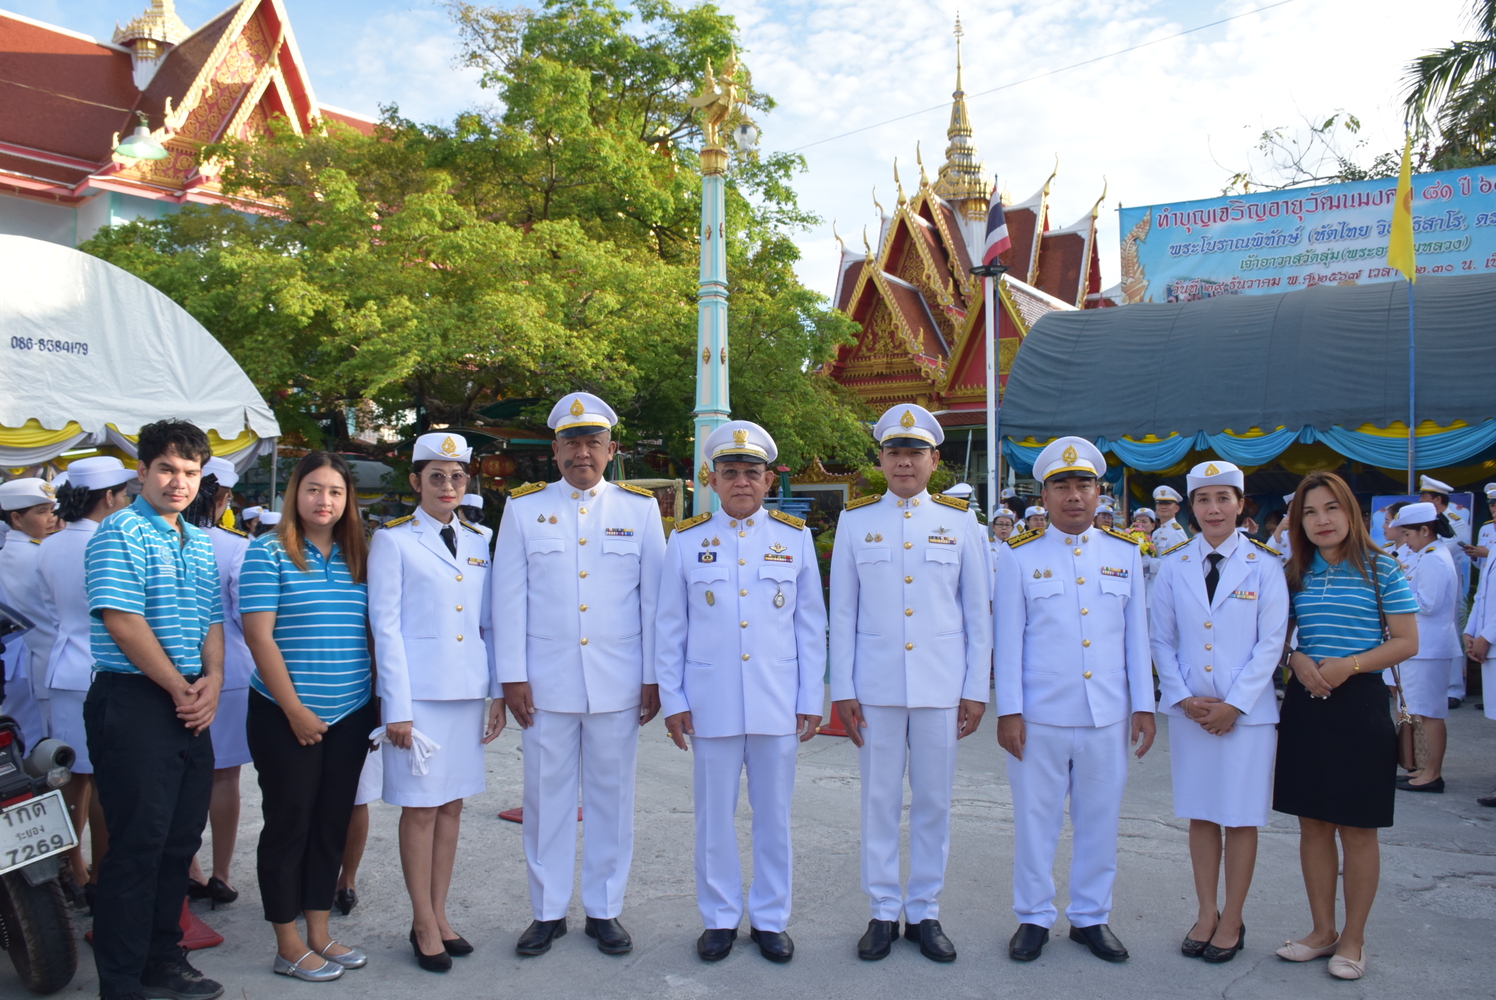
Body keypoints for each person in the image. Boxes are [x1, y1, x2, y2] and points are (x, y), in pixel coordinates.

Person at [491, 392, 666, 957]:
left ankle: (604, 910)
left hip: (618, 680)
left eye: (593, 442)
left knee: (613, 799)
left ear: (611, 450)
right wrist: (511, 677)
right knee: (545, 798)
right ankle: (546, 911)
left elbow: (653, 603)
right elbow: (507, 599)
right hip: (545, 683)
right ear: (555, 449)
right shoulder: (522, 509)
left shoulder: (639, 510)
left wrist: (653, 676)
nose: (582, 452)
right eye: (571, 442)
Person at [655, 420, 825, 964]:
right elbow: (669, 628)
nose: (742, 482)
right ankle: (720, 918)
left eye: (752, 472)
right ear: (711, 478)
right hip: (711, 701)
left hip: (776, 699)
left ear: (769, 479)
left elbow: (809, 626)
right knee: (713, 819)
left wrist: (808, 698)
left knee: (774, 817)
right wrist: (675, 700)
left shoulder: (793, 538)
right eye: (730, 472)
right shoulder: (685, 541)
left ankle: (771, 919)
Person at [829, 405, 991, 963]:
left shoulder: (960, 522)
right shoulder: (857, 521)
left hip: (940, 687)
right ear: (881, 459)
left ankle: (924, 911)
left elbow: (977, 614)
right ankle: (880, 911)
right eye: (895, 452)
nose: (904, 462)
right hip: (874, 687)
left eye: (915, 452)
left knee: (933, 802)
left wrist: (975, 689)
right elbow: (842, 613)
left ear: (934, 461)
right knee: (878, 801)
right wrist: (842, 689)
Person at [993, 436, 1156, 964]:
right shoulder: (1018, 557)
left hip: (1106, 714)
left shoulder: (1125, 553)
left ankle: (1091, 917)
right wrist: (1009, 710)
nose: (1074, 496)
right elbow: (1008, 640)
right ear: (1043, 494)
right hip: (1039, 715)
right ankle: (1033, 917)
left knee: (1099, 820)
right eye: (1061, 485)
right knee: (1035, 821)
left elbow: (1138, 639)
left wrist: (1145, 706)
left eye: (1083, 484)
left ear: (1098, 492)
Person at [84, 420, 226, 1000]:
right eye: (167, 469)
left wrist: (213, 679)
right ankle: (120, 980)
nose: (178, 482)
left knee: (179, 841)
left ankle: (162, 959)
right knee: (137, 843)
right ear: (140, 472)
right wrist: (179, 686)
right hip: (137, 699)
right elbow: (122, 620)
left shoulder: (195, 541)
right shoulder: (119, 532)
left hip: (190, 700)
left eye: (190, 472)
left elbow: (213, 621)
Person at [1272, 471, 1419, 982]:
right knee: (1312, 823)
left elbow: (1405, 641)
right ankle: (1321, 930)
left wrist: (1349, 665)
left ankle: (1353, 938)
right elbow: (1274, 636)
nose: (1321, 520)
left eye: (1330, 508)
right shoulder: (1294, 572)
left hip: (1359, 703)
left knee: (1358, 828)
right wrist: (1296, 657)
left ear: (1350, 513)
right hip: (1306, 702)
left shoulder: (1382, 569)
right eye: (1309, 512)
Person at [368, 432, 505, 973]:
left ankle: (441, 914)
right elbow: (386, 626)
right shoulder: (393, 540)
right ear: (415, 482)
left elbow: (487, 623)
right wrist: (395, 706)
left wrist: (495, 692)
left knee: (452, 806)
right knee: (421, 808)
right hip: (419, 698)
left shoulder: (477, 540)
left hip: (466, 693)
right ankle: (422, 920)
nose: (447, 486)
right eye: (436, 476)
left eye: (457, 477)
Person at [239, 451, 377, 981]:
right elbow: (259, 637)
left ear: (348, 501)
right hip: (284, 715)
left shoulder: (358, 557)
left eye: (336, 492)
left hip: (349, 714)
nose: (326, 500)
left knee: (331, 825)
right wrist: (294, 710)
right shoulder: (268, 553)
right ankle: (287, 940)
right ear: (294, 494)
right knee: (288, 824)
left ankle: (319, 932)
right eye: (314, 489)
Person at [1150, 461, 1288, 964]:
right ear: (1193, 507)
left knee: (1241, 818)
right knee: (1202, 816)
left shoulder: (1266, 564)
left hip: (1246, 717)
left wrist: (1235, 705)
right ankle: (1205, 912)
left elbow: (1272, 643)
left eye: (1224, 499)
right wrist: (1184, 697)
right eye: (1204, 499)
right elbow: (1161, 640)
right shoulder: (1174, 564)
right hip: (1192, 714)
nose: (1213, 509)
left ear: (1240, 505)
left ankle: (1233, 917)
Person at [36, 459, 134, 902]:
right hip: (102, 669)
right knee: (105, 778)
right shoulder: (112, 543)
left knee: (72, 775)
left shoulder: (49, 546)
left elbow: (48, 610)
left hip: (62, 668)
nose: (129, 501)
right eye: (125, 493)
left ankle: (71, 866)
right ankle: (99, 874)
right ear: (109, 497)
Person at [180, 457, 252, 908]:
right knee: (224, 778)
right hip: (229, 673)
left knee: (181, 776)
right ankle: (222, 873)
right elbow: (248, 614)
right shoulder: (232, 546)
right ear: (223, 498)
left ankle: (189, 868)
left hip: (175, 673)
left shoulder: (165, 536)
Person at [1383, 502, 1459, 793]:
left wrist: (1396, 605)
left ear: (1425, 531)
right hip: (1423, 648)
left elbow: (1427, 602)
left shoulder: (1434, 559)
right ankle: (1424, 768)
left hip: (1429, 648)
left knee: (1430, 712)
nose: (1406, 541)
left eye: (1409, 535)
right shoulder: (1427, 556)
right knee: (1419, 711)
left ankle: (1432, 773)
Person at [0, 477, 57, 746]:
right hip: (29, 661)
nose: (51, 519)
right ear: (16, 518)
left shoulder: (14, 549)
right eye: (41, 512)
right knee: (32, 742)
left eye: (52, 510)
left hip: (19, 662)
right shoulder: (35, 554)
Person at [1417, 475, 1471, 710]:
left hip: (1449, 584)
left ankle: (1454, 689)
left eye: (1424, 496)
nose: (1419, 499)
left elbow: (1444, 546)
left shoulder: (1456, 521)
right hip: (1427, 580)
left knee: (1451, 631)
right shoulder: (1426, 520)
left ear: (1437, 499)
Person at [1464, 541, 1496, 807]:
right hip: (1487, 644)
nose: (1495, 513)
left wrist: (1486, 635)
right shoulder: (1494, 548)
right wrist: (1470, 631)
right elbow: (1481, 596)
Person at [1461, 482, 1496, 571]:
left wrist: (1489, 554)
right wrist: (1474, 554)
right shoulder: (1485, 528)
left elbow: (1487, 555)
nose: (1494, 509)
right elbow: (1481, 565)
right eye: (1492, 505)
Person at [1152, 485, 1190, 551]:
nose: (1163, 506)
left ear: (1176, 508)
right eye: (1160, 503)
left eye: (1168, 503)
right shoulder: (1156, 533)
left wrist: (1153, 561)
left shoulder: (1176, 532)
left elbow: (1181, 559)